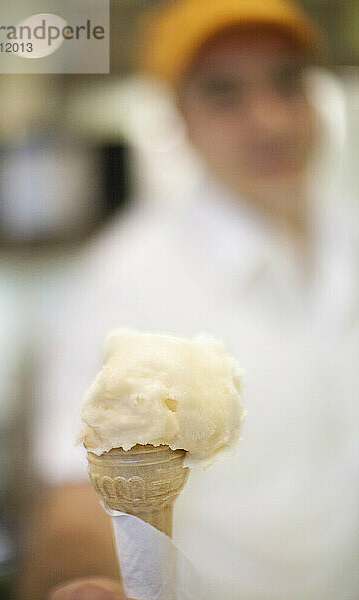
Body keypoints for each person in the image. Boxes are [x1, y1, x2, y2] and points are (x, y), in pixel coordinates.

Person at [21, 0, 359, 598]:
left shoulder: (348, 234)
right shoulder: (123, 282)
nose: (271, 121)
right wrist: (81, 581)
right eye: (224, 94)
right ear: (180, 116)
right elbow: (76, 499)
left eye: (287, 83)